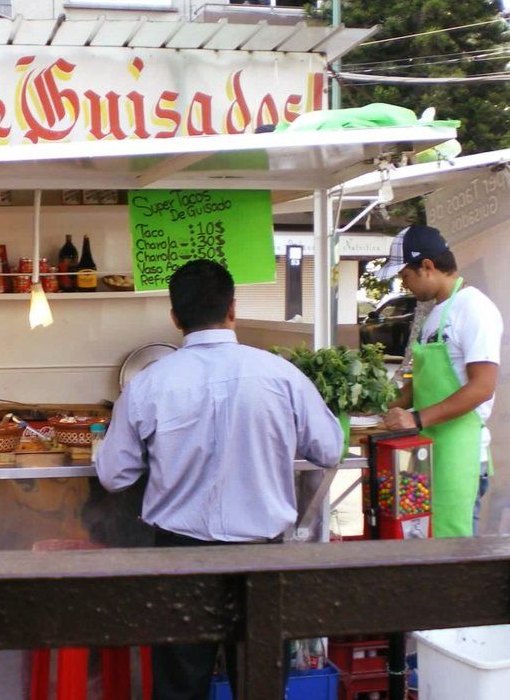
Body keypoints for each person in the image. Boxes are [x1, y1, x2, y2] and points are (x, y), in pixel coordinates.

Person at [95, 259, 343, 700]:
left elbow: (115, 475)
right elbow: (328, 449)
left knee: (179, 688)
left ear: (175, 318)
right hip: (263, 559)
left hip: (181, 558)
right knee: (259, 684)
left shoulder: (148, 384)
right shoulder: (281, 374)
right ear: (233, 308)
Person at [378, 225, 502, 537]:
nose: (404, 285)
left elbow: (482, 387)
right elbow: (420, 383)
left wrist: (416, 418)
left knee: (455, 560)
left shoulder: (475, 308)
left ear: (428, 267)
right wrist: (377, 405)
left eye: (406, 276)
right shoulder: (435, 314)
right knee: (429, 551)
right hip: (429, 451)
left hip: (460, 454)